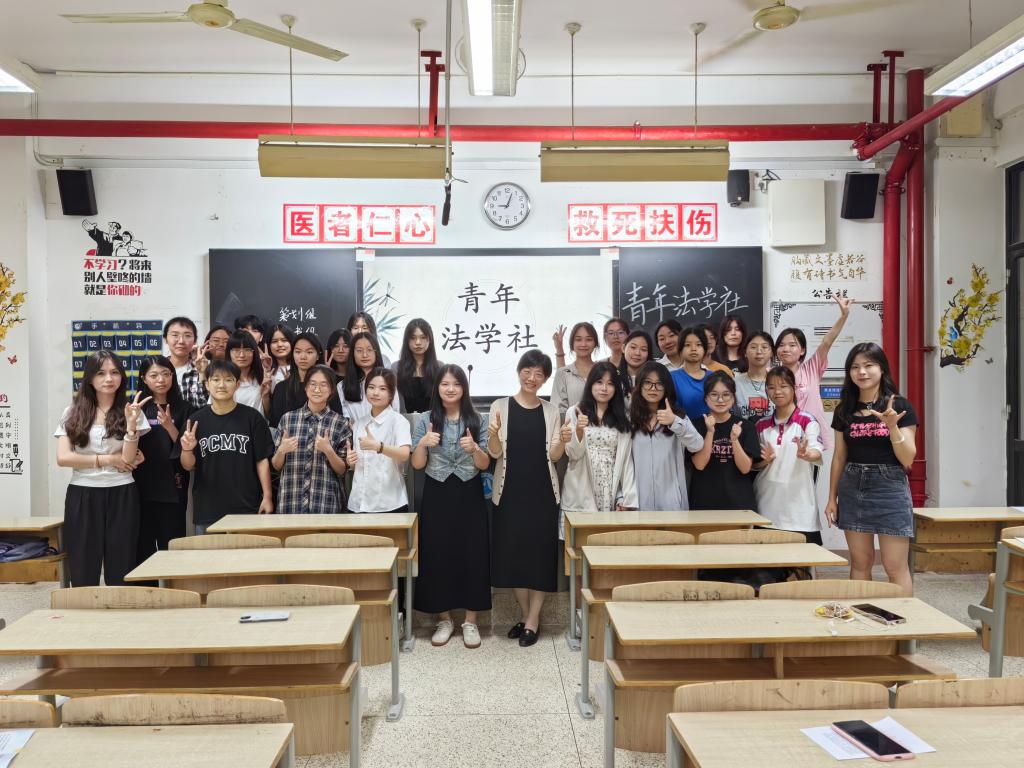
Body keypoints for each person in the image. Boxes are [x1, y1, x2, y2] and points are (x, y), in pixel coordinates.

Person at [825, 343, 917, 594]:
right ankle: (860, 615)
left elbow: (908, 458)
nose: (862, 372)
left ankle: (903, 619)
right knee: (860, 562)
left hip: (890, 487)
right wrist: (832, 498)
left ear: (881, 368)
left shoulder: (900, 406)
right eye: (855, 367)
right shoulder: (844, 409)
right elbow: (839, 457)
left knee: (894, 566)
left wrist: (892, 426)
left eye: (868, 365)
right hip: (852, 486)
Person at [410, 365, 491, 649]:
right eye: (445, 384)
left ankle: (471, 621)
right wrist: (423, 443)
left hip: (469, 491)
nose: (450, 389)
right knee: (437, 553)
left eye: (456, 384)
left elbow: (484, 464)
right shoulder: (426, 419)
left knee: (473, 553)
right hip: (437, 490)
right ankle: (444, 619)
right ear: (438, 388)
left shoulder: (478, 419)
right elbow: (417, 464)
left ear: (464, 388)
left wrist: (475, 449)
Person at [55, 351, 150, 586]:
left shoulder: (132, 411)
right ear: (90, 378)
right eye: (101, 373)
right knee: (83, 564)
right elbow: (63, 458)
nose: (109, 378)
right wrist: (107, 459)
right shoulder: (72, 412)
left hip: (122, 491)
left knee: (122, 563)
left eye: (114, 372)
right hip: (82, 493)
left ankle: (119, 609)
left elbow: (127, 458)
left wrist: (131, 426)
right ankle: (84, 609)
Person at [488, 350, 564, 647]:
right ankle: (524, 614)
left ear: (545, 379)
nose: (532, 378)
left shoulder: (551, 411)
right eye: (527, 371)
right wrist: (493, 434)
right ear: (519, 372)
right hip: (509, 493)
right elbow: (495, 452)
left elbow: (554, 456)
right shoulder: (500, 406)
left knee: (540, 558)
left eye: (539, 374)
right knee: (515, 558)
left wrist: (564, 440)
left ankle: (533, 620)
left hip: (543, 494)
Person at [179, 359, 274, 534]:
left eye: (228, 380)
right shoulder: (195, 421)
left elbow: (262, 460)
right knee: (209, 553)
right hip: (208, 509)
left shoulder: (252, 418)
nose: (221, 385)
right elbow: (188, 465)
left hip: (247, 507)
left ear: (237, 385)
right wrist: (187, 449)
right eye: (215, 379)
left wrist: (267, 497)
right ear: (207, 384)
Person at [561, 362, 638, 522]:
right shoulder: (575, 412)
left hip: (610, 488)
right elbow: (573, 454)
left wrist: (626, 497)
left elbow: (626, 462)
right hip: (581, 488)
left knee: (605, 535)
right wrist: (579, 430)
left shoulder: (622, 418)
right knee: (578, 536)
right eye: (599, 382)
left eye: (610, 384)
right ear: (590, 384)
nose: (604, 388)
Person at [754, 366, 824, 544]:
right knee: (765, 560)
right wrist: (764, 462)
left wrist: (806, 454)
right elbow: (753, 465)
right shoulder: (760, 425)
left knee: (804, 560)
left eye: (783, 386)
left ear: (794, 388)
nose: (777, 392)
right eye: (771, 387)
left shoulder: (807, 421)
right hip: (765, 506)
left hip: (799, 510)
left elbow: (816, 452)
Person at [775, 294, 853, 451]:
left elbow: (827, 341)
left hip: (812, 437)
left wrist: (844, 316)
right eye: (781, 345)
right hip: (784, 437)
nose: (786, 349)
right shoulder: (772, 375)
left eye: (792, 345)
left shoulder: (811, 368)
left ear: (802, 350)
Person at [134, 356, 192, 561]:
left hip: (173, 484)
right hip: (141, 484)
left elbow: (186, 446)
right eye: (154, 375)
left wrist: (169, 426)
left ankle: (173, 581)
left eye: (166, 374)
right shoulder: (137, 407)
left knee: (172, 543)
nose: (161, 380)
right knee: (143, 544)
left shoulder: (184, 407)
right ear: (144, 378)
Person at [273, 365, 352, 515]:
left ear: (332, 390)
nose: (317, 389)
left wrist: (328, 450)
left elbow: (342, 470)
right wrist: (282, 451)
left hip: (325, 503)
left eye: (323, 385)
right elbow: (276, 466)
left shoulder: (340, 423)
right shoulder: (288, 419)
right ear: (306, 387)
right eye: (313, 384)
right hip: (290, 502)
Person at [629, 361, 703, 511]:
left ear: (666, 387)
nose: (653, 388)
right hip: (637, 501)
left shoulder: (678, 416)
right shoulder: (629, 419)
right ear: (639, 386)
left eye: (659, 384)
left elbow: (697, 445)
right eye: (647, 383)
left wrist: (674, 422)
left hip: (671, 502)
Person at [689, 372, 761, 511]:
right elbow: (699, 464)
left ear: (733, 398)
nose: (720, 400)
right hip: (704, 502)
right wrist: (710, 432)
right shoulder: (695, 425)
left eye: (726, 394)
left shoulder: (746, 426)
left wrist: (734, 440)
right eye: (714, 395)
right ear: (706, 398)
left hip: (738, 503)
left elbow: (745, 468)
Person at [345, 368, 412, 513]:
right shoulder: (359, 423)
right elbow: (357, 465)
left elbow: (404, 454)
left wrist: (379, 447)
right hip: (358, 502)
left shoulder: (398, 421)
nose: (375, 393)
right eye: (371, 387)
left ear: (391, 394)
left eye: (382, 389)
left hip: (389, 503)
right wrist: (350, 461)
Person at [269, 332, 342, 427]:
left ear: (318, 355)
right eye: (298, 352)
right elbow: (275, 425)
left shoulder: (327, 386)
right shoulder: (281, 388)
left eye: (309, 352)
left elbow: (338, 421)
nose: (303, 357)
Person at [341, 332, 400, 422]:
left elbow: (395, 412)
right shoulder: (342, 386)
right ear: (352, 353)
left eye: (369, 350)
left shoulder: (388, 381)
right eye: (359, 350)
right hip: (355, 430)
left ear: (376, 352)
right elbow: (345, 418)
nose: (365, 355)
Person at [551, 322, 600, 419]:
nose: (583, 344)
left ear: (595, 343)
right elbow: (558, 410)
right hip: (571, 427)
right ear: (572, 344)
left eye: (589, 339)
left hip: (602, 427)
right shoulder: (562, 373)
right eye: (578, 339)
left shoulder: (603, 371)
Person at [394, 318, 441, 414]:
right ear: (407, 341)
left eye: (423, 337)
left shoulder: (439, 367)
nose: (418, 342)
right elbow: (395, 402)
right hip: (403, 420)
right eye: (413, 338)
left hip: (433, 420)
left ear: (429, 339)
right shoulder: (396, 368)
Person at [163, 316, 207, 410]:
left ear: (195, 340)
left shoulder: (203, 369)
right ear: (165, 339)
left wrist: (202, 373)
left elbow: (209, 405)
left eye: (187, 336)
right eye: (175, 335)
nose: (181, 341)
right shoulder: (157, 368)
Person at [225, 331, 270, 417]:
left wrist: (265, 396)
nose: (241, 355)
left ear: (254, 352)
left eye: (247, 350)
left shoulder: (264, 379)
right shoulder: (222, 380)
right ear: (229, 352)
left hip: (259, 425)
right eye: (236, 350)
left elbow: (270, 416)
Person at [733, 331, 776, 422]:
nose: (759, 351)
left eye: (764, 347)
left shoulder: (778, 382)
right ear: (745, 352)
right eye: (753, 347)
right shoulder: (735, 383)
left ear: (772, 352)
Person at [671, 327, 710, 419]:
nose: (693, 349)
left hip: (713, 426)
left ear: (704, 349)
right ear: (680, 350)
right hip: (682, 427)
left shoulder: (713, 377)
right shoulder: (672, 377)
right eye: (687, 345)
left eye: (698, 344)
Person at [617, 330, 654, 396]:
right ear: (623, 348)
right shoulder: (614, 376)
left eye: (643, 349)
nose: (637, 353)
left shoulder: (655, 378)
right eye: (633, 347)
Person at [265, 323, 295, 391]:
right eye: (274, 341)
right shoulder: (265, 370)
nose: (280, 345)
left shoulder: (300, 368)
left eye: (284, 340)